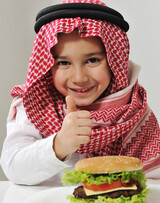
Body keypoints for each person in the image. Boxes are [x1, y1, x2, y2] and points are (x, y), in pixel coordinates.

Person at [1, 0, 160, 185]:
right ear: (47, 66)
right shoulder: (33, 105)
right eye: (63, 63)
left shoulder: (134, 109)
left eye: (92, 60)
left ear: (113, 62)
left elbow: (153, 182)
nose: (79, 78)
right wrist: (59, 144)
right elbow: (13, 167)